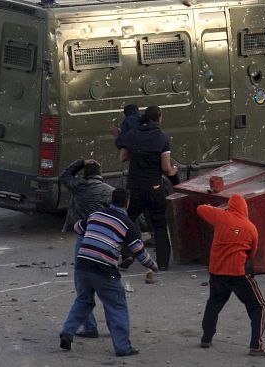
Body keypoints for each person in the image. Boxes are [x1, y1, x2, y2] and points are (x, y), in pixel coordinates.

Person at [58, 187, 159, 356]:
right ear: (127, 203)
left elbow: (77, 227)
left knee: (83, 300)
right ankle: (122, 347)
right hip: (105, 270)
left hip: (82, 265)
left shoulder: (96, 215)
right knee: (116, 304)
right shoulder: (128, 224)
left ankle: (67, 332)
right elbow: (139, 252)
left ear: (112, 200)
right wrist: (153, 265)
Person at [197, 194, 265, 357]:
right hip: (239, 273)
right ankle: (256, 345)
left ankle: (206, 337)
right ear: (245, 208)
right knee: (258, 306)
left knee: (214, 303)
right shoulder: (250, 227)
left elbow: (200, 208)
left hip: (217, 271)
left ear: (229, 206)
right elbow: (252, 252)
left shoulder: (220, 217)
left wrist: (220, 210)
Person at [118, 105, 179, 270]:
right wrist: (174, 172)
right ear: (159, 118)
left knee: (128, 221)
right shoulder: (162, 138)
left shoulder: (131, 135)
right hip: (154, 187)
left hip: (134, 187)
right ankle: (163, 262)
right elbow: (166, 168)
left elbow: (123, 157)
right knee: (159, 224)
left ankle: (127, 255)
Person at [59, 157, 114, 338]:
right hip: (106, 239)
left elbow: (65, 175)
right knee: (110, 288)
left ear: (84, 174)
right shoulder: (109, 192)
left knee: (82, 287)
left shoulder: (79, 186)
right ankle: (116, 328)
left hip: (84, 238)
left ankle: (90, 327)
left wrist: (80, 162)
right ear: (100, 174)